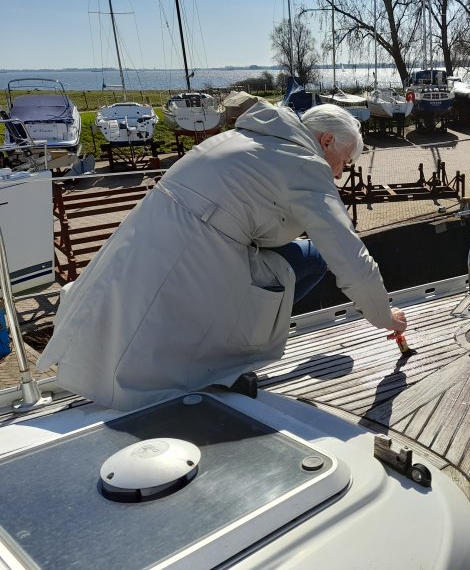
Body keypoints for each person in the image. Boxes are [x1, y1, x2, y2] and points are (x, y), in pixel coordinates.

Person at [37, 102, 407, 411]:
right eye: (343, 161)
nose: (341, 175)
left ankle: (231, 351)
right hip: (192, 264)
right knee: (315, 259)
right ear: (325, 140)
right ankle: (230, 359)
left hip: (143, 255)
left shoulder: (244, 138)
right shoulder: (303, 163)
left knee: (306, 259)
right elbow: (350, 257)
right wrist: (384, 316)